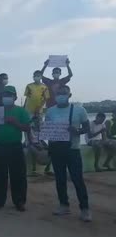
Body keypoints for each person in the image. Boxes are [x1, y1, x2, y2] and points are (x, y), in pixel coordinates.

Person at [45, 85, 91, 222]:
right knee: (60, 179)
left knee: (77, 179)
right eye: (58, 93)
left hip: (73, 149)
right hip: (56, 149)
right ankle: (64, 205)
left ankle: (85, 209)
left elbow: (87, 127)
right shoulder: (50, 111)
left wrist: (77, 132)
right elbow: (47, 130)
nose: (61, 95)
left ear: (69, 95)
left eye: (63, 93)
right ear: (55, 95)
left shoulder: (79, 110)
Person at [0, 86, 30, 212]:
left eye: (9, 95)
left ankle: (19, 201)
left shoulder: (21, 111)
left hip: (15, 146)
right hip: (0, 146)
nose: (6, 98)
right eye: (4, 95)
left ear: (15, 97)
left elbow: (27, 128)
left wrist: (15, 122)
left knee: (19, 175)